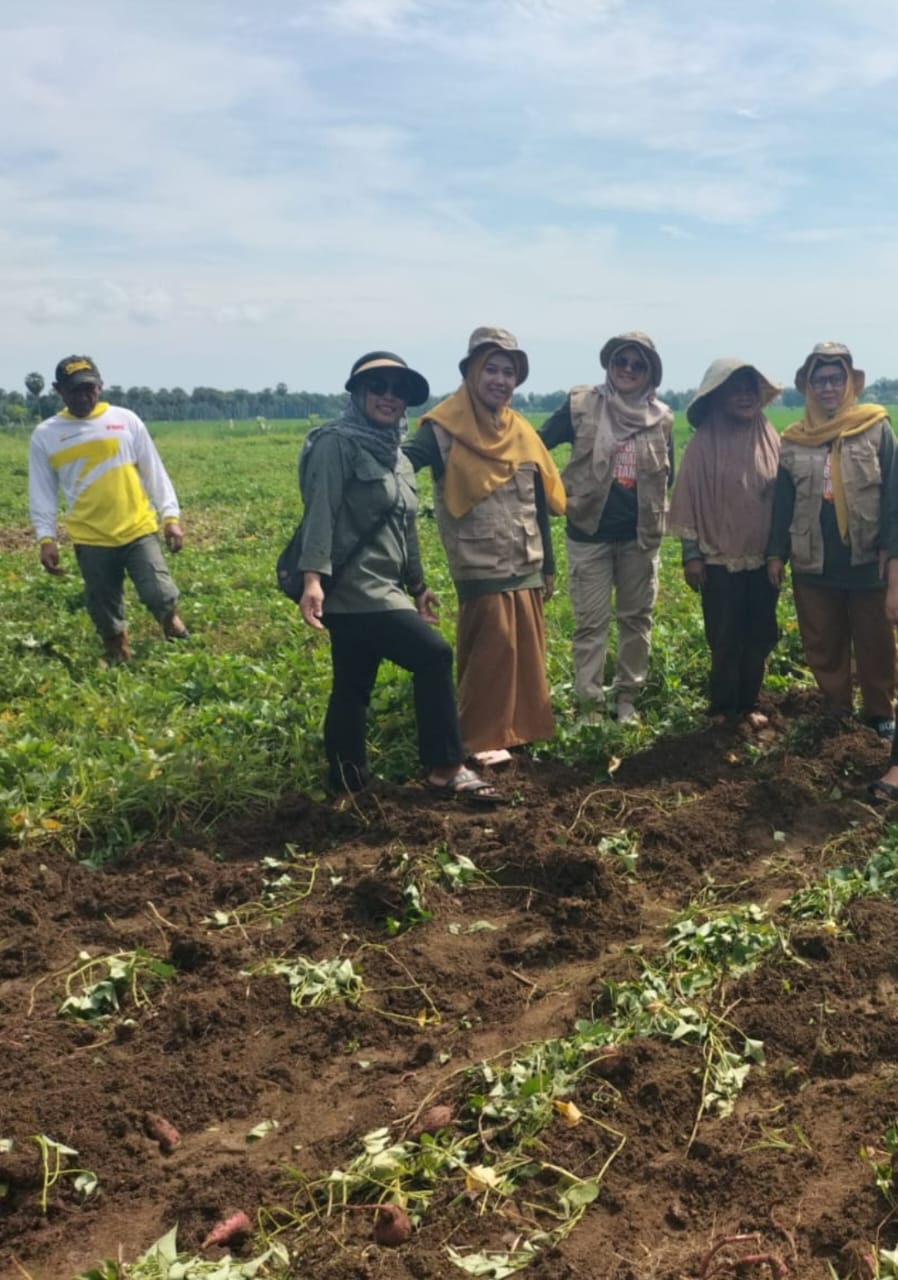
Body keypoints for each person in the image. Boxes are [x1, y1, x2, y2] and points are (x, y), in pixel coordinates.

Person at [297, 350, 499, 802]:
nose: (389, 397)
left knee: (353, 685)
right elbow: (320, 514)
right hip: (353, 590)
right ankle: (446, 767)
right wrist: (312, 580)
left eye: (398, 390)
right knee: (432, 654)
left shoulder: (398, 456)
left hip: (386, 589)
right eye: (378, 387)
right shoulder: (335, 444)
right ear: (358, 393)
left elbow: (405, 528)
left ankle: (347, 782)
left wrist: (418, 585)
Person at [404, 327, 565, 766]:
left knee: (527, 647)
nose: (500, 380)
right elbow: (403, 464)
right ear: (472, 372)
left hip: (525, 555)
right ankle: (478, 737)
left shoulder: (521, 431)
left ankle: (521, 729)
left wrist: (548, 563)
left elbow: (536, 496)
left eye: (508, 372)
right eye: (490, 369)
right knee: (492, 646)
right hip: (479, 559)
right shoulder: (443, 428)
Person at [539, 331, 673, 724]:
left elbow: (669, 475)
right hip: (589, 533)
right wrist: (554, 494)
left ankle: (627, 698)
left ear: (650, 373)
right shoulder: (581, 404)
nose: (628, 370)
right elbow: (536, 446)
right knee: (591, 623)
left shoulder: (662, 418)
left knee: (636, 619)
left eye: (637, 364)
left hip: (639, 538)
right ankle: (590, 707)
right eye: (621, 362)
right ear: (609, 365)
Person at [767, 341, 896, 737]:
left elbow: (894, 495)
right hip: (813, 560)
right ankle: (836, 710)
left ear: (848, 383)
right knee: (822, 641)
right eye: (818, 380)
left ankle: (880, 713)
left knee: (874, 641)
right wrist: (776, 554)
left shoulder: (876, 427)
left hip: (865, 558)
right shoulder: (793, 440)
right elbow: (782, 504)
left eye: (835, 379)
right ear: (807, 386)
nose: (827, 387)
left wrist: (891, 554)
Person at [28, 355, 188, 662]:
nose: (84, 396)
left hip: (137, 527)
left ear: (100, 386)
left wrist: (170, 516)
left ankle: (170, 621)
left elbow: (154, 470)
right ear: (58, 390)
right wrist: (46, 538)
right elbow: (42, 491)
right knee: (104, 605)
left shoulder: (125, 421)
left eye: (90, 388)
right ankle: (117, 650)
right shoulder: (46, 434)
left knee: (159, 591)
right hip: (91, 537)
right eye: (75, 390)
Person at [668, 359, 782, 727]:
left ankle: (749, 705)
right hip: (718, 562)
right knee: (725, 637)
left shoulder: (769, 436)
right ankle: (721, 708)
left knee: (759, 635)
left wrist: (779, 553)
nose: (745, 396)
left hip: (763, 561)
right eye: (736, 389)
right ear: (719, 396)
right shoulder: (703, 443)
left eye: (750, 389)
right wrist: (692, 556)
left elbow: (783, 501)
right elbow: (688, 501)